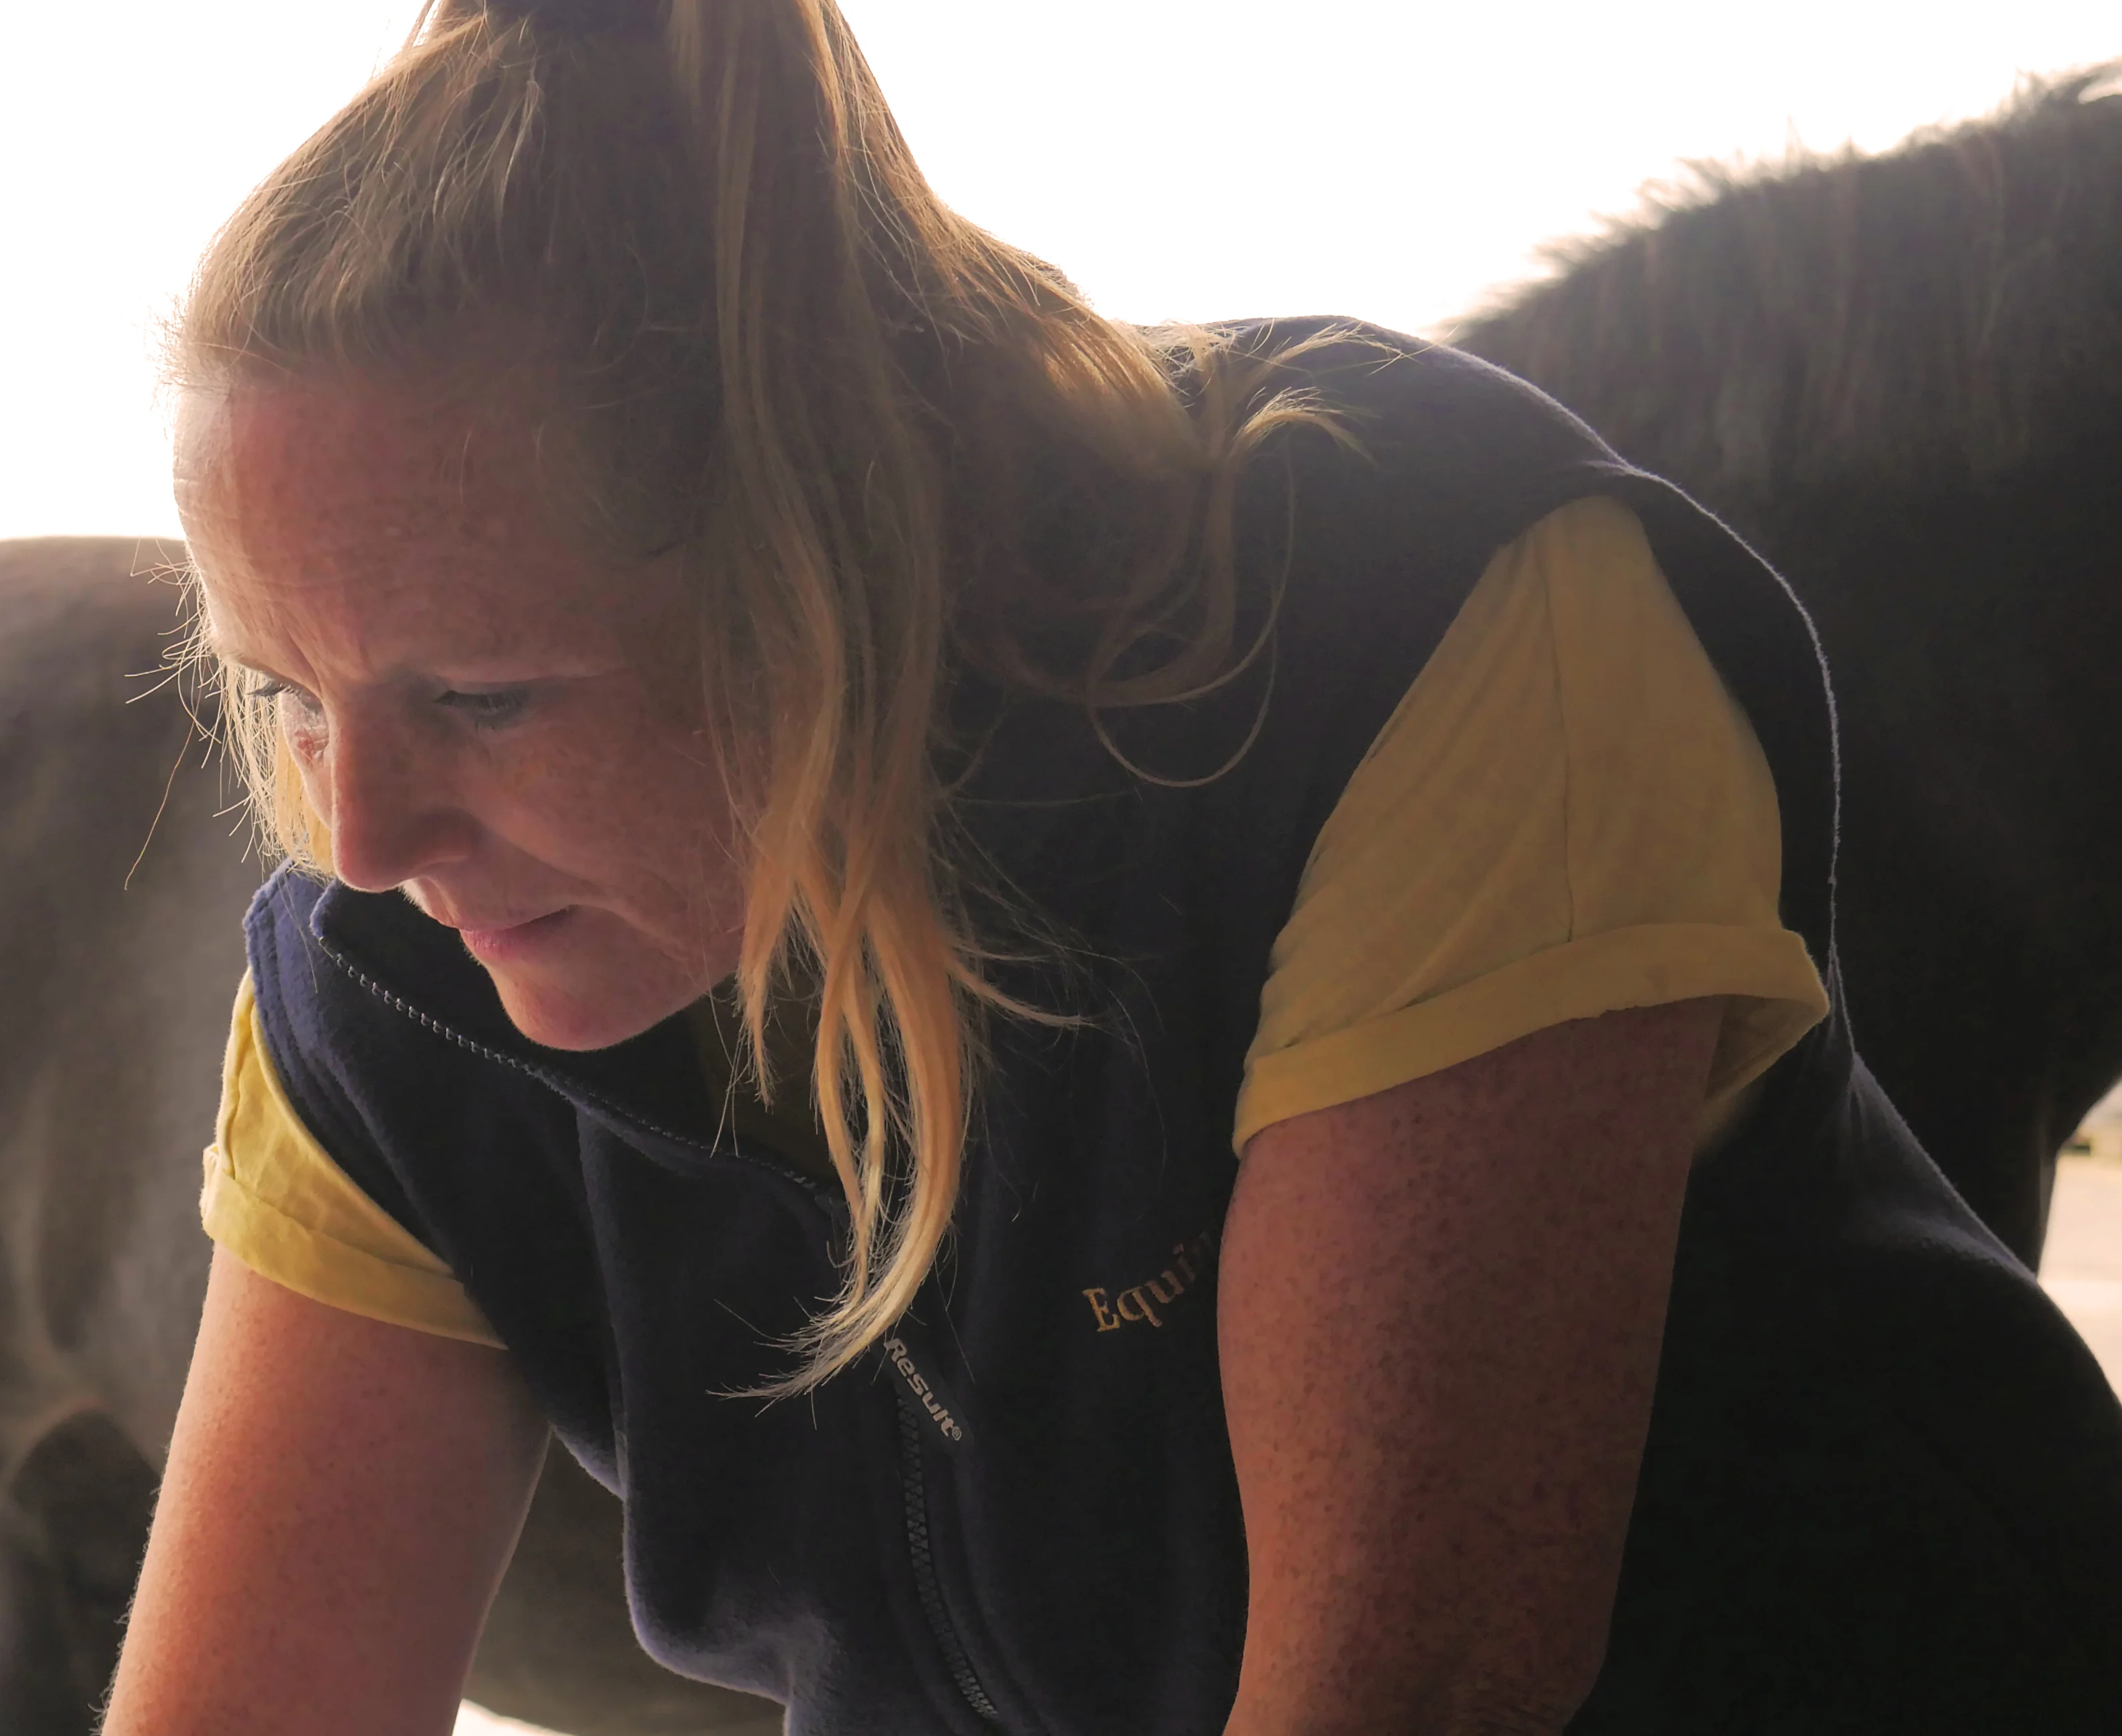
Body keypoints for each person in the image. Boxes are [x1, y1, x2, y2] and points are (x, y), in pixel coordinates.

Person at [107, 3, 2122, 1731]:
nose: (362, 838)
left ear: (827, 571)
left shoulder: (1410, 630)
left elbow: (1396, 1705)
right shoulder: (381, 979)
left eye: (483, 698)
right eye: (286, 693)